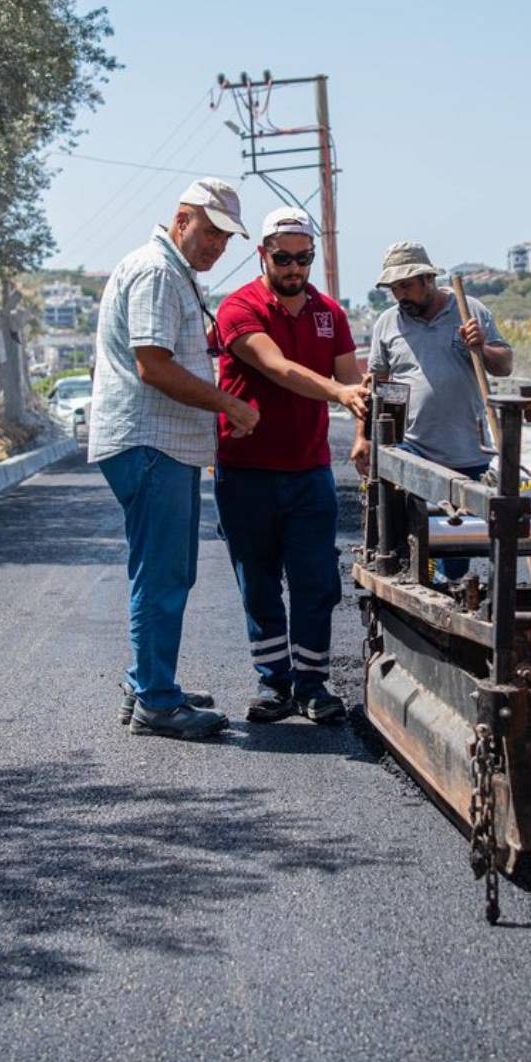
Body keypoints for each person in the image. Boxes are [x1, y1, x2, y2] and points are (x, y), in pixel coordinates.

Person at [88, 179, 258, 740]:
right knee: (162, 574)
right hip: (150, 442)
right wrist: (227, 402)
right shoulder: (159, 272)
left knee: (165, 570)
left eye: (226, 238)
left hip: (160, 443)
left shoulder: (168, 269)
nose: (216, 246)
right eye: (209, 232)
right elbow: (153, 366)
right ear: (182, 218)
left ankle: (149, 683)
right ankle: (157, 703)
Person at [214, 206, 369, 724]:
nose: (294, 270)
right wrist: (339, 392)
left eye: (304, 259)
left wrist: (363, 430)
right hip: (246, 474)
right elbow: (276, 367)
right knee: (258, 583)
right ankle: (273, 683)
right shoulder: (239, 308)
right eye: (283, 259)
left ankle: (312, 683)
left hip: (308, 473)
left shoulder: (332, 315)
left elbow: (355, 385)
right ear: (262, 254)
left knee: (316, 581)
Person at [359, 241, 513, 580]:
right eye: (394, 288)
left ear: (427, 279)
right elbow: (378, 389)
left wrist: (481, 346)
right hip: (411, 446)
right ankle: (412, 583)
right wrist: (368, 439)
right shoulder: (388, 324)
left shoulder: (468, 309)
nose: (400, 295)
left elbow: (504, 365)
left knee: (456, 549)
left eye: (406, 286)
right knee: (406, 534)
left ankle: (450, 590)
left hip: (466, 450)